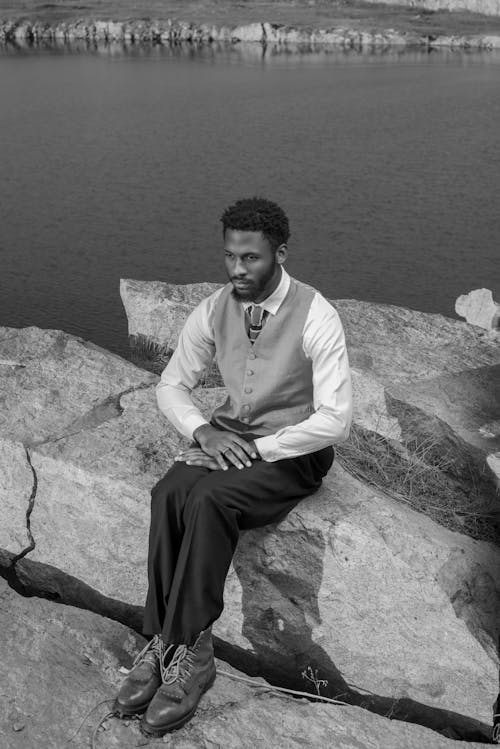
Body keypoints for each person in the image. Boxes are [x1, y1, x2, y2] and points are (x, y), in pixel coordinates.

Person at [114, 196, 353, 737]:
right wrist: (204, 431)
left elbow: (336, 420)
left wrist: (260, 450)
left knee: (209, 499)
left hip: (294, 451)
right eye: (229, 257)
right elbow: (173, 383)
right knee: (169, 492)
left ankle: (194, 659)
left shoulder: (317, 313)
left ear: (280, 254)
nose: (238, 270)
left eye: (251, 259)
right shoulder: (212, 308)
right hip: (229, 437)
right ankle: (166, 644)